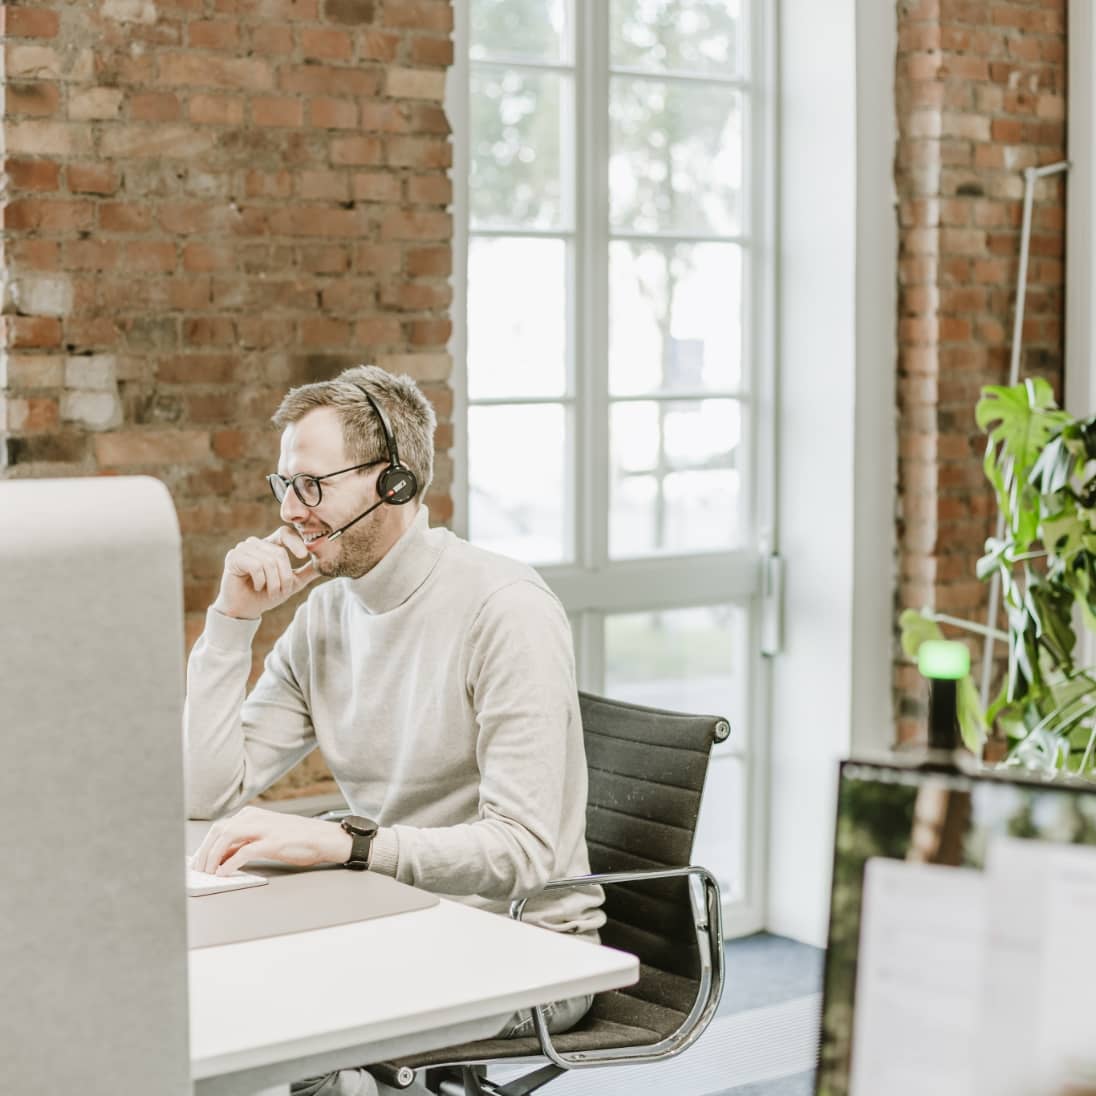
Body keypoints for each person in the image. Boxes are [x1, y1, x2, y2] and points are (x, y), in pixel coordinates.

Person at [184, 364, 605, 1096]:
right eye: (284, 484)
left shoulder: (504, 609)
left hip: (528, 950)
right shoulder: (326, 613)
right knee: (206, 1002)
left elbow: (526, 853)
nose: (291, 510)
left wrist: (351, 845)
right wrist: (231, 627)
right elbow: (203, 791)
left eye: (313, 483)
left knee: (272, 1030)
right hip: (394, 917)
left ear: (396, 483)